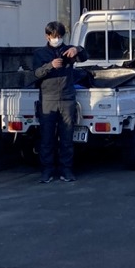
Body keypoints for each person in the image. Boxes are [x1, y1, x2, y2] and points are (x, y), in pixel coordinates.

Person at [33, 21, 87, 183]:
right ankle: (47, 171)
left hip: (67, 98)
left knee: (67, 137)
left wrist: (77, 49)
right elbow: (36, 73)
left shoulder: (67, 50)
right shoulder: (40, 53)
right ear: (47, 36)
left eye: (60, 36)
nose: (57, 39)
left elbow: (85, 56)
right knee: (47, 138)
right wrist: (50, 65)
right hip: (48, 99)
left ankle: (66, 170)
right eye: (54, 36)